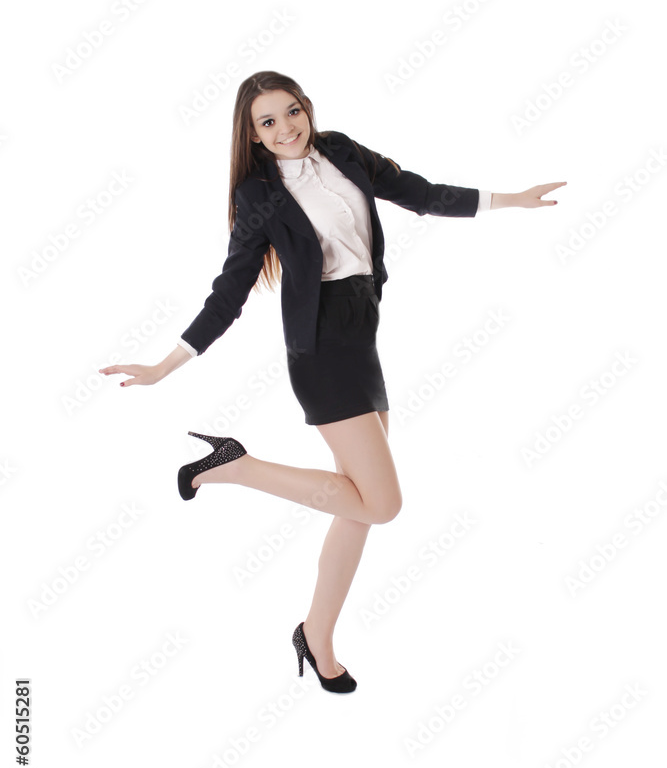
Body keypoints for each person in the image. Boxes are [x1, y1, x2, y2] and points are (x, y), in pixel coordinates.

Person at [100, 70, 566, 694]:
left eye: (292, 112)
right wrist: (164, 365)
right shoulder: (258, 195)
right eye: (268, 121)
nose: (285, 127)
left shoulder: (342, 151)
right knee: (384, 503)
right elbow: (229, 293)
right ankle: (235, 466)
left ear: (306, 109)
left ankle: (316, 635)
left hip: (362, 336)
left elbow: (421, 193)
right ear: (252, 134)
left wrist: (508, 199)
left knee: (358, 509)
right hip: (319, 349)